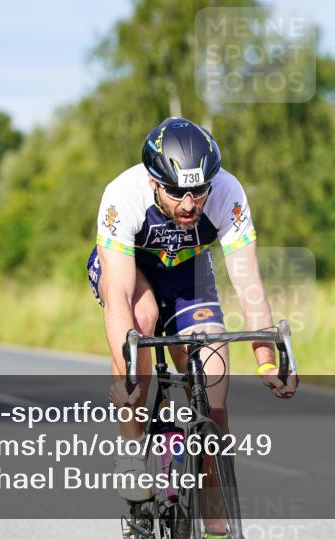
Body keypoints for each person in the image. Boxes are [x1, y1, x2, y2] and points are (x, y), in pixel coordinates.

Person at [88, 117, 298, 539]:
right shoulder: (121, 196)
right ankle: (131, 451)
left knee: (214, 388)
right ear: (153, 181)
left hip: (189, 279)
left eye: (198, 191)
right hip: (131, 274)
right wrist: (128, 376)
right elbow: (119, 304)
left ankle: (217, 519)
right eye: (177, 192)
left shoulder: (228, 193)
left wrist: (265, 358)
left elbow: (249, 283)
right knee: (142, 318)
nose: (189, 204)